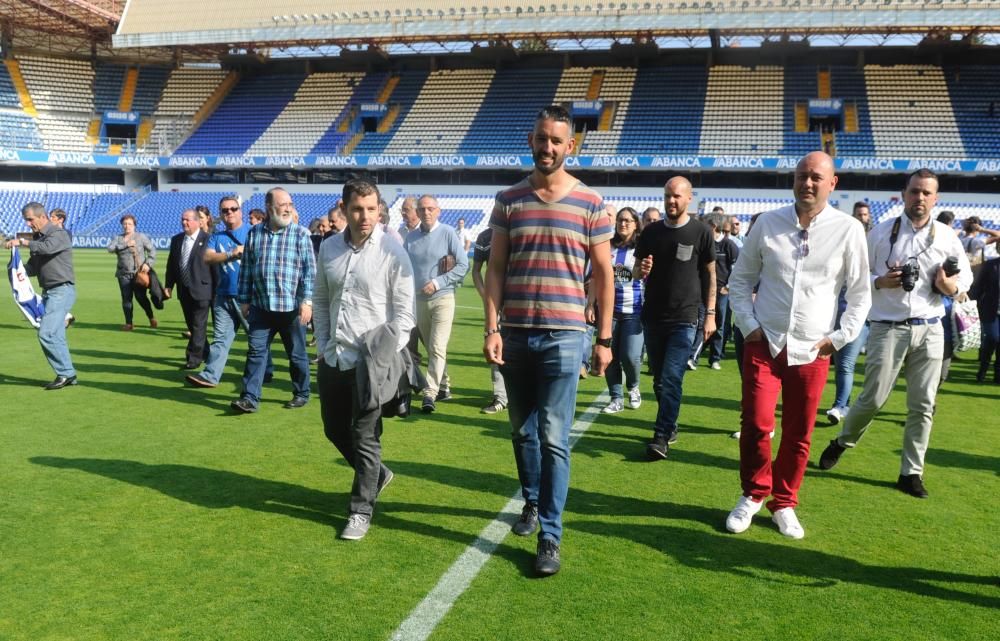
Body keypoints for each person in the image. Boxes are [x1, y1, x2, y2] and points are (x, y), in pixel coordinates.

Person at [484, 105, 613, 575]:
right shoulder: (508, 198)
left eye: (557, 141)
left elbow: (603, 274)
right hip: (515, 333)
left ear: (570, 146)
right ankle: (532, 503)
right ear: (531, 139)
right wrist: (492, 327)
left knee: (554, 438)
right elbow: (496, 269)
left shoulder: (591, 203)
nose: (548, 147)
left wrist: (604, 338)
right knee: (522, 432)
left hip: (564, 335)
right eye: (542, 138)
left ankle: (550, 537)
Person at [725, 152, 870, 539]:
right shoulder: (767, 223)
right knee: (756, 423)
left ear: (832, 183)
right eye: (802, 176)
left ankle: (784, 502)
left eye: (816, 178)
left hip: (813, 348)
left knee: (799, 431)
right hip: (765, 342)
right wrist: (748, 325)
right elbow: (740, 280)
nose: (808, 183)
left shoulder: (848, 229)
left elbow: (859, 294)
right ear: (794, 179)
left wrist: (838, 338)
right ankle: (753, 493)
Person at [819, 169, 973, 498]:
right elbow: (855, 278)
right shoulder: (880, 233)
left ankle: (911, 472)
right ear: (904, 193)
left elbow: (966, 281)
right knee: (872, 398)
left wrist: (950, 286)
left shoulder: (947, 236)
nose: (920, 198)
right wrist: (879, 281)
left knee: (923, 406)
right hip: (887, 327)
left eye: (926, 193)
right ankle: (842, 440)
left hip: (931, 327)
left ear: (936, 198)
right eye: (915, 191)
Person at [314, 178, 416, 541]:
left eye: (371, 209)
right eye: (357, 208)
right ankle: (378, 475)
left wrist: (384, 354)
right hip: (334, 356)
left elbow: (406, 316)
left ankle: (360, 510)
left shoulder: (392, 251)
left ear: (379, 210)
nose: (364, 216)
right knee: (333, 428)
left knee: (365, 436)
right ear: (344, 208)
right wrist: (323, 345)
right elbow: (322, 300)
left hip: (371, 363)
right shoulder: (328, 248)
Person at [635, 176, 716, 460]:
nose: (672, 201)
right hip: (653, 317)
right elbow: (634, 272)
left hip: (685, 317)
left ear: (689, 198)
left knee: (671, 378)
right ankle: (670, 425)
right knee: (659, 380)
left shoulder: (701, 232)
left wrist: (711, 315)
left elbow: (710, 275)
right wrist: (640, 269)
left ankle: (661, 436)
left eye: (677, 196)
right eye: (668, 195)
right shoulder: (650, 232)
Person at [232, 187, 316, 413]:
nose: (288, 208)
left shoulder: (300, 234)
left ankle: (301, 393)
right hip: (261, 307)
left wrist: (307, 301)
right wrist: (244, 299)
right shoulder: (255, 233)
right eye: (283, 205)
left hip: (291, 310)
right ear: (270, 208)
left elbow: (310, 272)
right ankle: (249, 398)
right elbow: (247, 268)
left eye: (290, 204)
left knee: (297, 355)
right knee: (256, 353)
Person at [186, 196, 273, 388]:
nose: (230, 213)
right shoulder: (217, 237)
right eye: (225, 210)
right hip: (223, 295)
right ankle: (210, 375)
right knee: (220, 339)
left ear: (240, 211)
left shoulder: (254, 233)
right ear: (221, 214)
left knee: (256, 339)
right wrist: (230, 254)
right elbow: (207, 257)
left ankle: (266, 370)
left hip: (250, 296)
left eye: (233, 209)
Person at [404, 194, 469, 413]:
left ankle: (429, 393)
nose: (426, 213)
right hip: (419, 302)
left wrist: (438, 282)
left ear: (438, 211)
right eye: (422, 209)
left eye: (431, 208)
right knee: (433, 348)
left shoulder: (448, 233)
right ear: (417, 212)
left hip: (443, 298)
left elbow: (463, 265)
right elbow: (403, 270)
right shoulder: (410, 239)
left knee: (437, 346)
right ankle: (444, 386)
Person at [4, 202, 78, 389]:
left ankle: (65, 374)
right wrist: (15, 267)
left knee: (46, 333)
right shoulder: (39, 237)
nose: (28, 224)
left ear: (42, 217)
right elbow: (33, 267)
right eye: (26, 220)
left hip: (61, 290)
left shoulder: (58, 234)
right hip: (49, 292)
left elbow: (47, 248)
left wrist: (22, 242)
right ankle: (69, 374)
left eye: (30, 219)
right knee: (57, 336)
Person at [824, 203, 877, 424]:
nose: (862, 219)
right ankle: (841, 404)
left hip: (859, 317)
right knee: (832, 363)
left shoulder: (874, 249)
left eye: (865, 215)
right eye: (859, 215)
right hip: (832, 315)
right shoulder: (839, 245)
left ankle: (840, 406)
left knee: (846, 363)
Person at [596, 207, 644, 414]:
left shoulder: (642, 247)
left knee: (631, 356)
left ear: (636, 224)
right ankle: (616, 397)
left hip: (635, 310)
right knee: (611, 356)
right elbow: (597, 277)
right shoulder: (607, 246)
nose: (623, 224)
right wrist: (590, 304)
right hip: (610, 311)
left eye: (627, 220)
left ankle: (633, 387)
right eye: (620, 220)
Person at [688, 210, 738, 372]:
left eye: (705, 225)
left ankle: (715, 357)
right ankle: (693, 356)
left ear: (713, 226)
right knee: (701, 322)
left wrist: (728, 287)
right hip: (704, 290)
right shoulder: (703, 243)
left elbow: (736, 269)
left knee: (720, 325)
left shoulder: (729, 245)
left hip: (722, 291)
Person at [164, 209, 213, 369]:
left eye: (187, 220)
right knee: (192, 325)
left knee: (198, 325)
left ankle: (193, 358)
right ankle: (206, 352)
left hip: (202, 289)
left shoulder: (208, 239)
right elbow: (172, 264)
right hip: (184, 289)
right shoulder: (177, 240)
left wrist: (216, 290)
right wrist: (169, 285)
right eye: (182, 219)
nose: (184, 222)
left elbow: (215, 268)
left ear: (197, 221)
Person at [471, 223, 508, 414]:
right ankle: (500, 396)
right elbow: (476, 270)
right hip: (494, 303)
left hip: (517, 300)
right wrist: (486, 295)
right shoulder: (485, 237)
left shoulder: (515, 231)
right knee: (494, 345)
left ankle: (517, 394)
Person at [106, 214, 158, 331]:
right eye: (124, 224)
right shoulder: (118, 238)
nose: (127, 226)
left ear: (134, 225)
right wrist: (126, 244)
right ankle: (129, 323)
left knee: (141, 297)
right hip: (123, 274)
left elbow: (152, 251)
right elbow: (109, 248)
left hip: (138, 274)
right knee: (126, 299)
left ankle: (151, 317)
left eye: (129, 224)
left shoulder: (141, 237)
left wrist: (148, 264)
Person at [971, 256, 1000, 383]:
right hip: (990, 309)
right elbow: (979, 286)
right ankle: (983, 369)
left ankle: (998, 375)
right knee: (993, 338)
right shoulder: (990, 265)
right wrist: (971, 303)